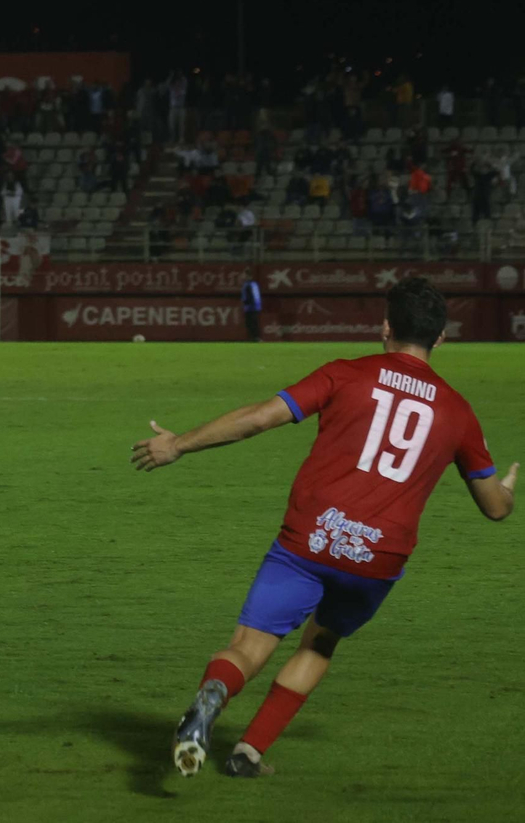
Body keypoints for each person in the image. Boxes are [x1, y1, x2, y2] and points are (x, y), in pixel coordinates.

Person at [131, 278, 516, 779]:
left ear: (385, 327)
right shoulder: (459, 412)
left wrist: (179, 444)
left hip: (310, 540)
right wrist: (507, 488)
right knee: (320, 642)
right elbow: (494, 508)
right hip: (377, 561)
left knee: (248, 647)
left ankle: (217, 692)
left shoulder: (345, 374)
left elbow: (258, 419)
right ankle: (249, 753)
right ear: (441, 338)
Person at [240, 268, 263, 342]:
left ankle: (255, 337)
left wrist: (246, 303)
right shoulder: (254, 284)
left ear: (247, 275)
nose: (242, 276)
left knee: (251, 323)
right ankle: (254, 338)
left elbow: (250, 297)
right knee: (252, 323)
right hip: (254, 307)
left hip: (250, 307)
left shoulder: (248, 285)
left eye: (243, 274)